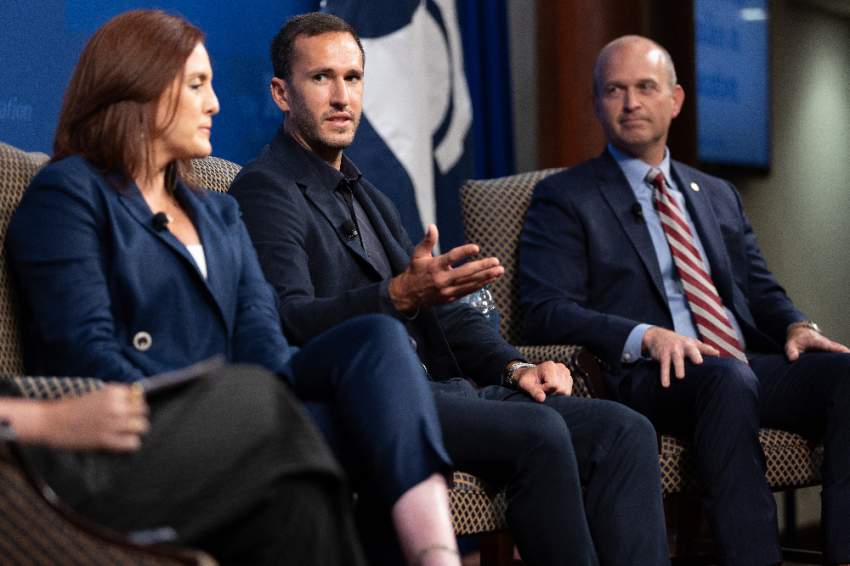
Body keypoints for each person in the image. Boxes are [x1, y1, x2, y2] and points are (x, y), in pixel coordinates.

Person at [5, 9, 464, 566]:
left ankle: (435, 555)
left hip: (248, 420)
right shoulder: (70, 192)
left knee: (375, 342)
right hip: (133, 437)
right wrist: (219, 407)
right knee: (272, 403)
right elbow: (86, 356)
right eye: (197, 85)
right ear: (138, 88)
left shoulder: (218, 213)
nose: (216, 104)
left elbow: (265, 347)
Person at [228, 13, 671, 566]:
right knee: (539, 432)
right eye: (321, 78)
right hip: (380, 402)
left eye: (353, 77)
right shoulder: (265, 188)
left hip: (452, 389)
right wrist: (398, 295)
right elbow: (290, 320)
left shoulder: (369, 195)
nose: (342, 96)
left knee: (624, 430)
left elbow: (449, 317)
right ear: (281, 93)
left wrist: (515, 369)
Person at [520, 34, 850, 566]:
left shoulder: (715, 193)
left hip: (738, 365)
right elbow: (545, 309)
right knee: (728, 378)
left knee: (842, 372)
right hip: (652, 375)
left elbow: (759, 288)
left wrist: (794, 326)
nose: (631, 103)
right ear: (596, 104)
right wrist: (643, 335)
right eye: (615, 89)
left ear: (674, 100)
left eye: (645, 88)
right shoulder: (565, 196)